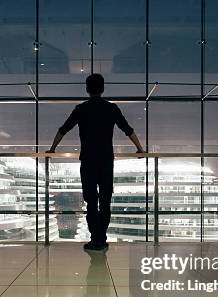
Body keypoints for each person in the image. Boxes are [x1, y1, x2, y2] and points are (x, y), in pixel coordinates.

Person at [46, 73, 145, 251]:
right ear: (103, 88)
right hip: (106, 161)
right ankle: (102, 238)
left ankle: (94, 239)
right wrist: (140, 149)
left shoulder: (80, 109)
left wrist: (52, 149)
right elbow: (128, 130)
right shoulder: (112, 108)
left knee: (91, 202)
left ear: (87, 89)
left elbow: (63, 130)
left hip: (88, 161)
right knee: (105, 201)